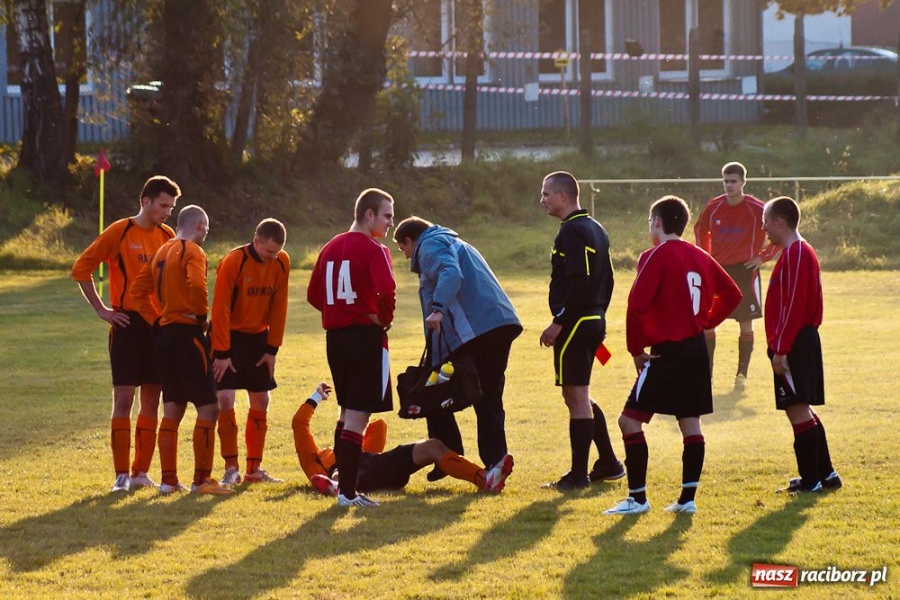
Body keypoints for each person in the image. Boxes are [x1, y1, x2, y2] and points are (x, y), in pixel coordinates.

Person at [603, 196, 741, 516]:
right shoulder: (700, 255)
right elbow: (732, 293)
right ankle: (687, 499)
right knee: (690, 424)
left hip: (667, 352)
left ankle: (637, 499)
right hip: (696, 350)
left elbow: (636, 304)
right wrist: (706, 321)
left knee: (629, 421)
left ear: (657, 222)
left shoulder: (658, 254)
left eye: (650, 221)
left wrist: (636, 350)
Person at [71, 175, 179, 492]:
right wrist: (102, 309)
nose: (167, 212)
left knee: (152, 398)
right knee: (124, 398)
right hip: (127, 325)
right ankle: (120, 476)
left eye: (171, 207)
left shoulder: (168, 236)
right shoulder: (121, 231)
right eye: (162, 205)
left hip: (157, 327)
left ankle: (140, 473)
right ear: (145, 201)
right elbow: (82, 268)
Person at [393, 216, 521, 479]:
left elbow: (450, 273)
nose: (406, 257)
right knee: (486, 396)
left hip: (477, 331)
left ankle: (452, 456)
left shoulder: (429, 245)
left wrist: (438, 309)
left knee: (438, 391)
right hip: (500, 323)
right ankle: (489, 460)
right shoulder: (455, 241)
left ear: (410, 240)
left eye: (403, 249)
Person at [131, 205, 232, 496]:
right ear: (200, 226)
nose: (206, 236)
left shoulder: (160, 252)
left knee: (172, 407)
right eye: (207, 230)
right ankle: (201, 480)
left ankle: (168, 481)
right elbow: (197, 286)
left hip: (164, 337)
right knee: (209, 406)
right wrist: (200, 318)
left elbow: (138, 292)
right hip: (188, 335)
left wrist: (157, 320)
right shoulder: (192, 251)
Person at [306, 188, 397, 508]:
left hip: (336, 339)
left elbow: (314, 295)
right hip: (364, 338)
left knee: (347, 415)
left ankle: (341, 485)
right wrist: (380, 319)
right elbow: (387, 291)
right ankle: (346, 492)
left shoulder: (330, 246)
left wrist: (339, 311)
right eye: (387, 215)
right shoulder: (374, 248)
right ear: (368, 214)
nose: (390, 222)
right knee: (358, 416)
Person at [538, 171, 625, 491]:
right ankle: (609, 463)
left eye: (546, 194)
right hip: (592, 319)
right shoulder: (595, 228)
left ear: (563, 196)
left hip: (576, 322)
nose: (543, 199)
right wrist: (599, 317)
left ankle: (577, 476)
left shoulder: (572, 231)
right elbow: (610, 280)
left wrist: (559, 321)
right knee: (579, 394)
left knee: (575, 395)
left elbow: (579, 279)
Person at [293, 383, 514, 496]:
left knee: (433, 446)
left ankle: (484, 479)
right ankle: (339, 485)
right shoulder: (313, 461)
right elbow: (299, 424)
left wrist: (352, 420)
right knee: (344, 469)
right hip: (358, 474)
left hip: (379, 466)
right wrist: (315, 397)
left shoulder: (354, 443)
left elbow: (378, 428)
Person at [761, 196, 841, 494]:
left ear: (780, 222)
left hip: (793, 341)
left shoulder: (795, 253)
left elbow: (793, 305)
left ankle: (811, 481)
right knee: (801, 407)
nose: (764, 228)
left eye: (766, 222)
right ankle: (826, 474)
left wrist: (780, 349)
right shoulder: (798, 251)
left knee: (796, 409)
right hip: (798, 339)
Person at [211, 218, 291, 485]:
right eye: (268, 251)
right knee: (225, 399)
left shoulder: (281, 262)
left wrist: (272, 349)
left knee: (262, 400)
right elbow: (219, 309)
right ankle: (230, 467)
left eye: (277, 252)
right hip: (229, 339)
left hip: (258, 338)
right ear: (256, 241)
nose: (272, 257)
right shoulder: (234, 261)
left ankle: (254, 470)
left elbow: (280, 305)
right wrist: (222, 353)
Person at [693, 162, 779, 388]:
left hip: (746, 271)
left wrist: (764, 256)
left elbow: (780, 231)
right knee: (708, 323)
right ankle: (706, 374)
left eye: (733, 181)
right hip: (718, 271)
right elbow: (700, 229)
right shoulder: (714, 207)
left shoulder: (757, 208)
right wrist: (706, 255)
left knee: (745, 323)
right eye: (726, 181)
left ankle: (742, 375)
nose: (729, 185)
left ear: (743, 182)